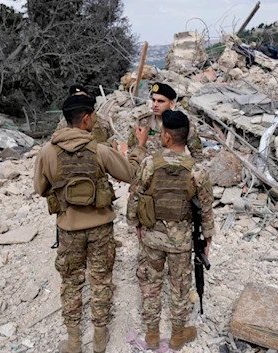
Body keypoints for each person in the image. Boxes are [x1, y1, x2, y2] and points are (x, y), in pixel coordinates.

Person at [33, 93, 149, 353]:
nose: (95, 120)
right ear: (85, 119)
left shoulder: (47, 152)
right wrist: (139, 147)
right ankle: (99, 339)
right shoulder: (99, 150)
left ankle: (74, 342)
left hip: (68, 230)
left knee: (72, 283)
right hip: (100, 229)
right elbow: (132, 174)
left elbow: (40, 188)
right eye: (94, 116)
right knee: (101, 281)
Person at [126, 110, 215, 351]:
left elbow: (134, 196)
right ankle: (177, 335)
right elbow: (206, 208)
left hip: (152, 237)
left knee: (151, 284)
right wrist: (207, 238)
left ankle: (152, 335)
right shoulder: (197, 170)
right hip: (181, 240)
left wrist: (135, 225)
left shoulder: (148, 164)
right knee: (180, 286)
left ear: (165, 137)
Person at [128, 82, 203, 162]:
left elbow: (198, 156)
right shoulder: (142, 122)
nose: (155, 105)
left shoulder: (182, 124)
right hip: (147, 170)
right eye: (154, 100)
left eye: (160, 101)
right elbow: (131, 150)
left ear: (171, 104)